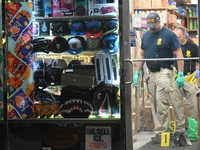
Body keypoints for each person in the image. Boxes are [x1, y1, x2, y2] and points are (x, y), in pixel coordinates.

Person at [133, 12, 184, 143]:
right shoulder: (147, 35)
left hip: (165, 71)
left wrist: (181, 74)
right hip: (151, 73)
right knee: (155, 104)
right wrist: (137, 72)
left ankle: (162, 133)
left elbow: (179, 54)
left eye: (153, 25)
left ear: (159, 21)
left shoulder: (169, 35)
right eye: (149, 25)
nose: (151, 28)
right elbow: (142, 55)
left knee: (162, 103)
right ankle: (162, 130)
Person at [173, 26, 198, 133]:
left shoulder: (193, 46)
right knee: (176, 104)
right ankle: (180, 129)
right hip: (175, 77)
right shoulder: (172, 46)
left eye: (178, 37)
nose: (176, 39)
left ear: (184, 35)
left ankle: (192, 130)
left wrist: (198, 72)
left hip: (189, 77)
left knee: (192, 104)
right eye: (175, 37)